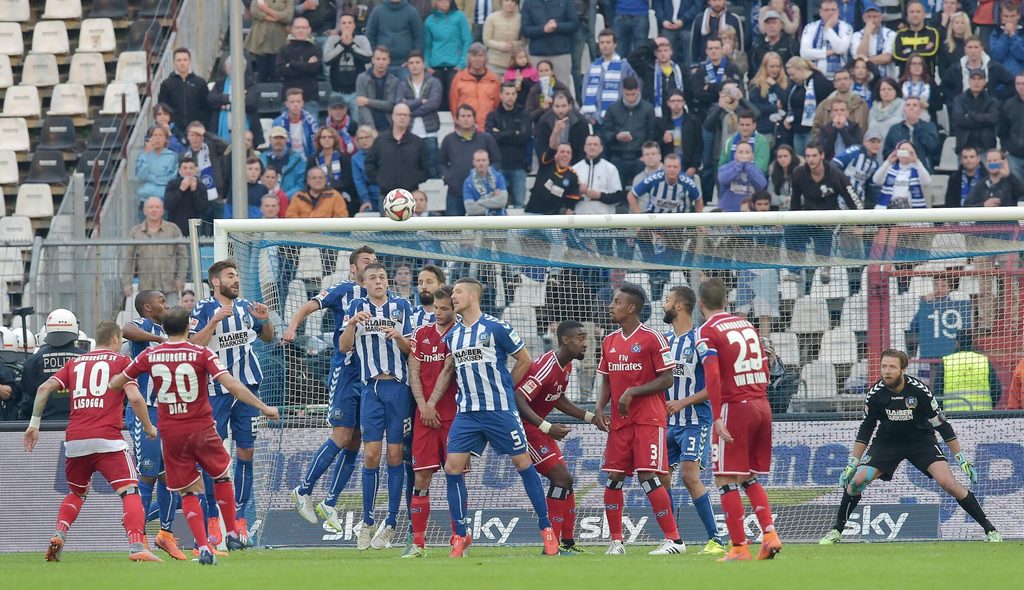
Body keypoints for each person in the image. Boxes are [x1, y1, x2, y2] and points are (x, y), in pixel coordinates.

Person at [112, 307, 280, 564]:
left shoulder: (150, 354)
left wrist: (128, 384)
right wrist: (263, 407)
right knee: (222, 475)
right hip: (201, 427)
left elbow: (116, 382)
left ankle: (202, 547)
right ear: (188, 328)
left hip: (171, 432)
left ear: (164, 329)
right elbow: (231, 384)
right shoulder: (201, 352)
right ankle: (233, 531)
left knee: (189, 491)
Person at [818, 349, 1003, 545]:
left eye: (892, 367)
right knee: (856, 482)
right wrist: (852, 462)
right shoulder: (875, 394)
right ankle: (837, 531)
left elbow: (942, 425)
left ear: (903, 370)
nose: (887, 371)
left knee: (948, 483)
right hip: (887, 442)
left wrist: (961, 458)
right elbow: (866, 428)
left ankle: (990, 529)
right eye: (884, 366)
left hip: (920, 441)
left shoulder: (919, 391)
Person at [439, 277, 559, 557]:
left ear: (473, 296)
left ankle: (546, 528)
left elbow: (525, 360)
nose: (453, 297)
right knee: (452, 468)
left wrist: (506, 389)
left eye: (457, 292)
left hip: (499, 410)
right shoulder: (453, 335)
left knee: (522, 463)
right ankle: (460, 534)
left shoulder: (497, 328)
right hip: (467, 412)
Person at [24, 321, 161, 563]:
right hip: (107, 440)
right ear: (117, 339)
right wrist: (149, 427)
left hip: (75, 441)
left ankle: (59, 533)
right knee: (130, 490)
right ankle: (137, 545)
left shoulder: (75, 362)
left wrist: (34, 425)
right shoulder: (121, 362)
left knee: (76, 492)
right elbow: (136, 398)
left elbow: (44, 388)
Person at [288, 247, 377, 532]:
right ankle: (303, 490)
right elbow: (307, 307)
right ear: (353, 268)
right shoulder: (344, 289)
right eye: (365, 261)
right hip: (347, 371)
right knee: (340, 436)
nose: (371, 265)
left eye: (373, 261)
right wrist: (292, 327)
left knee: (355, 440)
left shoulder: (380, 297)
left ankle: (330, 502)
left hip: (370, 376)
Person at [694, 277, 782, 561]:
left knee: (723, 478)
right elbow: (766, 363)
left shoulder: (707, 331)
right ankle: (769, 534)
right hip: (761, 403)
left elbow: (713, 376)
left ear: (701, 303)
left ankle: (738, 547)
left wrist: (718, 416)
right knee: (747, 476)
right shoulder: (747, 325)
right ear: (726, 300)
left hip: (736, 407)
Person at [594, 283, 684, 556]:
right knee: (613, 478)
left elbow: (667, 379)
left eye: (617, 301)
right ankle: (617, 542)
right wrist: (600, 408)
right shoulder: (608, 341)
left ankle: (674, 540)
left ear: (631, 308)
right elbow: (607, 380)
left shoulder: (653, 338)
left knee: (648, 476)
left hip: (648, 419)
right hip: (620, 423)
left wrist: (633, 392)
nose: (611, 305)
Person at [189, 260, 276, 540]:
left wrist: (265, 320)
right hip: (216, 393)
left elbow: (268, 338)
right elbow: (193, 346)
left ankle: (238, 519)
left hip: (248, 387)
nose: (236, 280)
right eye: (230, 276)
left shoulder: (245, 306)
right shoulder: (204, 309)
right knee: (214, 457)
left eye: (237, 275)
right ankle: (213, 518)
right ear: (216, 282)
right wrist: (214, 322)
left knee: (246, 453)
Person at [334, 262, 414, 550]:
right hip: (371, 389)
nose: (378, 281)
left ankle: (391, 523)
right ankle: (366, 522)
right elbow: (344, 347)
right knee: (370, 455)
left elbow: (413, 348)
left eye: (382, 277)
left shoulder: (402, 306)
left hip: (398, 388)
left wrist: (400, 338)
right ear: (364, 282)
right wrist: (354, 323)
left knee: (395, 455)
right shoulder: (356, 305)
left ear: (387, 281)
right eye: (373, 277)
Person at [512, 320, 602, 554]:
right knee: (562, 478)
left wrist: (590, 417)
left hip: (540, 428)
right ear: (566, 340)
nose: (585, 343)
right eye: (581, 338)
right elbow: (518, 397)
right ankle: (550, 546)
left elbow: (558, 398)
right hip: (526, 427)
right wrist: (546, 426)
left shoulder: (567, 365)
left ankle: (567, 543)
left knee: (566, 481)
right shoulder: (546, 365)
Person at [120, 292, 192, 559]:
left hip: (171, 412)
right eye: (161, 301)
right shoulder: (144, 326)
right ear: (148, 308)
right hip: (146, 412)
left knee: (171, 477)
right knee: (148, 474)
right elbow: (126, 329)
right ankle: (137, 539)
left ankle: (165, 535)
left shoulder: (173, 331)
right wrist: (159, 339)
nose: (166, 304)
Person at [659, 286, 727, 555]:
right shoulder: (663, 341)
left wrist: (682, 403)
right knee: (661, 477)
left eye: (667, 300)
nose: (663, 304)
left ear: (678, 306)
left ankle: (715, 539)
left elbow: (715, 386)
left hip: (694, 420)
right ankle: (674, 540)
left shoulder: (700, 339)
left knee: (689, 476)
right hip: (667, 423)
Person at [403, 286, 459, 557]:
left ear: (454, 308)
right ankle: (418, 543)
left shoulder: (459, 334)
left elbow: (448, 371)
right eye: (436, 308)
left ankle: (457, 538)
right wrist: (424, 406)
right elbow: (413, 370)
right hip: (424, 416)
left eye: (444, 309)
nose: (438, 313)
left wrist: (433, 405)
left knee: (454, 476)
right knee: (421, 477)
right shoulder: (421, 333)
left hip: (453, 416)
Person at [787, 142, 862, 283]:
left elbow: (853, 199)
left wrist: (860, 223)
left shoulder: (836, 175)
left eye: (814, 155)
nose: (811, 159)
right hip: (808, 218)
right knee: (791, 228)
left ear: (822, 156)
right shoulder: (798, 174)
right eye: (808, 156)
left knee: (826, 232)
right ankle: (795, 271)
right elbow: (794, 203)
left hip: (830, 220)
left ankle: (825, 267)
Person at [440, 104, 503, 215]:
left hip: (481, 195)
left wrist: (488, 179)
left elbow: (497, 162)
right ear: (457, 119)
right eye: (463, 116)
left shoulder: (486, 138)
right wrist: (448, 178)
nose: (466, 119)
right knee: (453, 229)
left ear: (474, 118)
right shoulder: (448, 139)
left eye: (469, 116)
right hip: (455, 192)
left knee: (481, 229)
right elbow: (440, 163)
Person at [123, 198, 188, 301]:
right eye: (151, 207)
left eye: (157, 207)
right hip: (146, 289)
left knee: (171, 317)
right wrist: (127, 283)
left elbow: (183, 257)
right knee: (148, 318)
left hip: (170, 288)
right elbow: (129, 260)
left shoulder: (173, 230)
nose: (154, 210)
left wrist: (180, 279)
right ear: (144, 211)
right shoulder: (136, 232)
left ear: (162, 211)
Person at [600, 76, 657, 189]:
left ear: (638, 91)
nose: (630, 98)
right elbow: (605, 132)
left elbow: (652, 134)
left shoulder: (648, 109)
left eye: (633, 94)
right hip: (618, 155)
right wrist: (616, 136)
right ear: (623, 91)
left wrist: (646, 154)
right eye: (627, 94)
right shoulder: (613, 108)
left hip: (639, 156)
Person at [365, 104, 430, 199]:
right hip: (386, 195)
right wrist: (380, 179)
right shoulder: (380, 141)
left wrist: (414, 179)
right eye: (399, 114)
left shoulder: (418, 143)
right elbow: (369, 163)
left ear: (409, 118)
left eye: (405, 115)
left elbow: (426, 168)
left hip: (410, 195)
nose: (402, 117)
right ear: (393, 116)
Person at [396, 50, 443, 178]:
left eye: (417, 62)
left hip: (429, 133)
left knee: (432, 171)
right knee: (411, 170)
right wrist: (419, 101)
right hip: (410, 133)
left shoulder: (434, 82)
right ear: (407, 65)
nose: (414, 65)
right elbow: (399, 103)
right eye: (411, 63)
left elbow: (433, 104)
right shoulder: (403, 84)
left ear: (423, 64)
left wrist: (410, 111)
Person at [520, 0, 579, 98]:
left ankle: (563, 112)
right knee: (538, 92)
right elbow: (525, 30)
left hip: (561, 53)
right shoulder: (529, 3)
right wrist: (543, 29)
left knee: (562, 90)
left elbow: (574, 24)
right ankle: (539, 112)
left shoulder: (566, 1)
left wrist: (557, 26)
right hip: (537, 55)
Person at [486, 82, 532, 208]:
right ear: (500, 95)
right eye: (507, 94)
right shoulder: (493, 116)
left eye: (513, 93)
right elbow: (490, 138)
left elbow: (525, 137)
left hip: (519, 166)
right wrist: (514, 132)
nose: (510, 97)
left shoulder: (524, 114)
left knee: (519, 205)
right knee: (497, 205)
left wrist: (501, 133)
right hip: (498, 167)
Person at [941, 36, 1013, 112]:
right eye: (970, 47)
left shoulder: (993, 67)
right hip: (964, 110)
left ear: (981, 49)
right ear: (965, 50)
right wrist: (956, 101)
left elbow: (1011, 82)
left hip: (988, 110)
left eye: (976, 47)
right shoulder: (956, 68)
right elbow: (945, 86)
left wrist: (996, 98)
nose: (973, 51)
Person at [581, 29, 637, 125]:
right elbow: (585, 90)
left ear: (615, 44)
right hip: (594, 119)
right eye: (602, 42)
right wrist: (589, 115)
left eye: (608, 42)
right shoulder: (593, 66)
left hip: (617, 118)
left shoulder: (624, 66)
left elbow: (633, 88)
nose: (605, 45)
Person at [525, 119, 581, 214]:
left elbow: (571, 204)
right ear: (555, 155)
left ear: (571, 157)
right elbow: (553, 146)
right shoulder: (547, 163)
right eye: (562, 151)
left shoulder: (573, 176)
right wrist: (556, 132)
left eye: (568, 153)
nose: (565, 154)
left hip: (553, 220)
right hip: (533, 214)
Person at [424, 0, 472, 110]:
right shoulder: (429, 21)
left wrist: (462, 63)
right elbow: (427, 45)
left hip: (455, 67)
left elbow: (467, 41)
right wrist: (427, 65)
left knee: (454, 101)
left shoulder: (459, 17)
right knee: (437, 101)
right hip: (436, 67)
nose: (444, 3)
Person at [324, 11, 372, 116]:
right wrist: (342, 45)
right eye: (344, 23)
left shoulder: (362, 39)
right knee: (335, 124)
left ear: (354, 25)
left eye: (349, 23)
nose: (347, 26)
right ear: (339, 25)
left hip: (357, 92)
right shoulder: (332, 40)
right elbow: (327, 59)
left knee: (358, 124)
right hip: (337, 91)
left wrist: (351, 45)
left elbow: (368, 57)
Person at [208, 55, 262, 146]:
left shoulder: (250, 83)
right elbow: (212, 99)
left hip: (246, 131)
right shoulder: (220, 83)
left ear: (244, 68)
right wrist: (231, 98)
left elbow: (251, 102)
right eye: (231, 67)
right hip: (222, 133)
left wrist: (224, 101)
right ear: (227, 68)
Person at [784, 57, 834, 155]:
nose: (791, 78)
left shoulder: (819, 82)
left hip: (812, 130)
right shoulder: (798, 85)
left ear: (801, 70)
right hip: (798, 128)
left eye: (792, 74)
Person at [627, 37, 684, 119]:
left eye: (665, 50)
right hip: (653, 113)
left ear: (671, 52)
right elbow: (632, 58)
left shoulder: (680, 69)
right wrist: (652, 44)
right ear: (655, 53)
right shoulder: (648, 68)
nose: (663, 54)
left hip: (675, 112)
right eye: (659, 51)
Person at [449, 43, 502, 130]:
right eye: (474, 56)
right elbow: (453, 104)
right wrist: (457, 121)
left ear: (485, 58)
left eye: (480, 56)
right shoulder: (459, 78)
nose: (477, 59)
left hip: (486, 127)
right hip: (464, 127)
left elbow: (497, 104)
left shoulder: (494, 79)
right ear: (469, 58)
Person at [366, 0, 424, 79]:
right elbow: (370, 36)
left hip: (405, 65)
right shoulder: (377, 11)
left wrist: (413, 59)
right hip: (382, 64)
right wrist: (376, 57)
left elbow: (419, 36)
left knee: (408, 89)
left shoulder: (412, 11)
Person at [183, 122, 229, 218]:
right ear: (187, 137)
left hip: (216, 198)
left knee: (219, 231)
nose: (195, 138)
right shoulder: (184, 155)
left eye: (198, 135)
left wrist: (205, 133)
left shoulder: (212, 148)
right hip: (196, 200)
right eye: (192, 135)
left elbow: (225, 145)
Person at [276, 17, 322, 113]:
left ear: (309, 30)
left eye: (304, 28)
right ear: (292, 29)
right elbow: (280, 71)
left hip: (310, 99)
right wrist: (306, 65)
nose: (301, 30)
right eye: (298, 27)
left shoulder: (316, 48)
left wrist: (292, 64)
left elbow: (315, 69)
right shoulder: (284, 49)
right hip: (288, 100)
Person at [158, 48, 210, 132]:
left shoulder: (200, 83)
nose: (182, 63)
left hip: (197, 130)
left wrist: (204, 126)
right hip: (174, 131)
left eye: (185, 60)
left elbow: (207, 108)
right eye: (179, 60)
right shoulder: (167, 84)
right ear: (174, 62)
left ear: (190, 61)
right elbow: (163, 108)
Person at [883, 96, 941, 171]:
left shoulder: (929, 127)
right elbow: (886, 152)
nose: (911, 107)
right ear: (904, 110)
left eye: (915, 105)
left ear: (920, 110)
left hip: (922, 169)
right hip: (898, 169)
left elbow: (933, 148)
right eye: (908, 105)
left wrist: (917, 126)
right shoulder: (895, 129)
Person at [801, 0, 853, 80]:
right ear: (820, 12)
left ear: (838, 11)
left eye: (833, 10)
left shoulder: (846, 27)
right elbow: (804, 53)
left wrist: (828, 29)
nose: (830, 13)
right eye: (826, 10)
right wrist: (827, 52)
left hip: (840, 77)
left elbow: (841, 49)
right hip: (816, 76)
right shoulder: (810, 27)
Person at [572, 134, 623, 216]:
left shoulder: (610, 168)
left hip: (603, 219)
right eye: (589, 144)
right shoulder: (575, 169)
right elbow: (567, 196)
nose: (592, 147)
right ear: (584, 148)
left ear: (601, 148)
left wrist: (599, 195)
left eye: (595, 144)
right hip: (580, 217)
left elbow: (617, 198)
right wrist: (578, 192)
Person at [811, 68, 870, 139]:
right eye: (839, 80)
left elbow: (866, 128)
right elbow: (816, 128)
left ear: (851, 81)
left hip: (855, 145)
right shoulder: (824, 105)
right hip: (829, 147)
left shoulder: (861, 104)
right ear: (834, 84)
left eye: (845, 79)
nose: (842, 82)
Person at [308, 126, 357, 210]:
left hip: (342, 195)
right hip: (319, 197)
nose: (327, 139)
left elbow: (348, 180)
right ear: (319, 140)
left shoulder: (343, 158)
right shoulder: (313, 160)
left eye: (330, 137)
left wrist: (331, 188)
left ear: (334, 139)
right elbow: (309, 180)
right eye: (323, 137)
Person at [833, 128, 884, 207]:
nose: (875, 145)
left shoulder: (874, 164)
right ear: (864, 141)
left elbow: (871, 188)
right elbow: (835, 164)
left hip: (858, 200)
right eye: (872, 142)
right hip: (841, 197)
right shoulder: (854, 151)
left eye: (878, 142)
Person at [533, 90, 589, 163]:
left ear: (570, 106)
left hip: (575, 165)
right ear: (552, 106)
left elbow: (583, 150)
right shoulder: (544, 122)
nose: (560, 110)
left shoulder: (581, 122)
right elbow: (542, 150)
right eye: (557, 106)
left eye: (563, 106)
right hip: (550, 165)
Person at [872, 141, 933, 208]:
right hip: (889, 209)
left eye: (908, 151)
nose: (904, 153)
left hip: (911, 210)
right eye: (902, 150)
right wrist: (888, 161)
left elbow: (927, 182)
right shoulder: (890, 169)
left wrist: (916, 161)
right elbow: (876, 180)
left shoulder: (918, 170)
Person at [245, 0, 294, 83]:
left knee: (276, 72)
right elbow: (255, 11)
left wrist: (266, 9)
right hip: (260, 37)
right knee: (262, 72)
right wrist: (275, 18)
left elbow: (288, 16)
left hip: (278, 38)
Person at [952, 68, 1001, 152]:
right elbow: (958, 120)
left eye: (979, 79)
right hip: (964, 148)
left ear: (985, 81)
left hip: (986, 148)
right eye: (973, 79)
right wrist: (983, 121)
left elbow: (993, 119)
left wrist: (971, 114)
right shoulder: (959, 99)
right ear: (968, 81)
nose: (976, 82)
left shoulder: (992, 101)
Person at [355, 46, 400, 131]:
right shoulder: (362, 78)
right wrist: (372, 128)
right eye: (378, 59)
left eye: (384, 59)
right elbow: (361, 105)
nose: (381, 62)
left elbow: (390, 105)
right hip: (366, 127)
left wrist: (368, 101)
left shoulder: (394, 81)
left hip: (388, 125)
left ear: (388, 61)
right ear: (373, 60)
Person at [657, 90, 702, 176]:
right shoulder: (662, 123)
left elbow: (699, 145)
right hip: (667, 166)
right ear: (668, 103)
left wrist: (694, 166)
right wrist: (663, 140)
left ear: (684, 103)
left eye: (679, 100)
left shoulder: (693, 121)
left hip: (687, 166)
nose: (676, 103)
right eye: (673, 101)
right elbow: (655, 145)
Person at [160, 157, 208, 235]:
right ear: (180, 171)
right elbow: (168, 205)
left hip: (195, 228)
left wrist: (194, 191)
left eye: (191, 168)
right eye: (185, 168)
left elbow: (203, 209)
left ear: (195, 170)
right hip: (175, 227)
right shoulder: (172, 184)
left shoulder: (201, 186)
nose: (188, 170)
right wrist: (181, 190)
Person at [717, 143, 769, 212]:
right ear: (735, 155)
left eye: (747, 152)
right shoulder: (726, 168)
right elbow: (723, 179)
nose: (744, 155)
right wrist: (739, 166)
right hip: (727, 211)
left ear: (752, 156)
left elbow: (762, 184)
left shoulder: (756, 170)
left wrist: (747, 167)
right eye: (740, 152)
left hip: (748, 212)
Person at [894, 1, 942, 75]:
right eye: (912, 12)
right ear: (907, 15)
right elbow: (897, 56)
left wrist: (908, 52)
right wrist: (923, 51)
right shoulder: (900, 34)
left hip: (927, 78)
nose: (915, 14)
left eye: (918, 12)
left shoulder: (932, 32)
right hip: (905, 78)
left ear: (924, 14)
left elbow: (932, 52)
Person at [852, 2, 897, 79]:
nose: (872, 20)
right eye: (868, 17)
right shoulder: (857, 35)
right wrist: (866, 34)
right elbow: (859, 57)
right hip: (865, 79)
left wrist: (865, 60)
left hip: (885, 78)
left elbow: (887, 58)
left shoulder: (890, 34)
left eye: (875, 16)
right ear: (863, 18)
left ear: (881, 18)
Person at [273, 88, 321, 160]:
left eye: (298, 102)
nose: (295, 105)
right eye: (292, 102)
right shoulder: (278, 123)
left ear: (302, 103)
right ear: (286, 104)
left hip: (308, 160)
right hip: (286, 160)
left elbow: (315, 147)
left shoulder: (312, 121)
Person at [135, 127, 179, 204]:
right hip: (146, 199)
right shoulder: (142, 155)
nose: (157, 138)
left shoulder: (172, 156)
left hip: (165, 198)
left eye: (161, 135)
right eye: (155, 135)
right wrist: (146, 155)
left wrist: (152, 179)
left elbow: (172, 178)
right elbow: (141, 177)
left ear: (166, 139)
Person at [261, 126, 307, 197]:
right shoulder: (262, 159)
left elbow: (301, 185)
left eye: (281, 138)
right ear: (270, 139)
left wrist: (283, 197)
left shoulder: (298, 160)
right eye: (275, 138)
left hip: (289, 202)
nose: (278, 141)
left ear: (286, 140)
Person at [287, 167, 352, 218]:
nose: (317, 180)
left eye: (320, 178)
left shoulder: (335, 196)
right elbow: (291, 218)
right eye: (314, 178)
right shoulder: (298, 197)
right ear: (308, 180)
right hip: (303, 234)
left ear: (325, 180)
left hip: (328, 234)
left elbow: (341, 218)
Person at [483, 0, 523, 77]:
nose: (509, 3)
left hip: (514, 64)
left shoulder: (521, 18)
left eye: (512, 1)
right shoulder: (491, 18)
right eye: (506, 0)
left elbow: (525, 41)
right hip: (494, 64)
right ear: (501, 2)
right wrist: (503, 46)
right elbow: (486, 40)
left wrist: (514, 44)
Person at [999, 71, 1024, 180]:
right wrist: (1007, 149)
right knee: (1017, 191)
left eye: (1023, 83)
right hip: (1014, 156)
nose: (1021, 87)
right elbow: (1002, 131)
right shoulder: (1008, 105)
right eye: (1018, 84)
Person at [988, 1, 1024, 76]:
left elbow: (1022, 55)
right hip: (1001, 80)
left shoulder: (1022, 32)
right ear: (1001, 17)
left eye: (1012, 16)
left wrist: (1013, 36)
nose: (1009, 19)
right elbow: (996, 55)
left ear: (1018, 16)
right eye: (1006, 16)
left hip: (1021, 79)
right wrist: (1004, 35)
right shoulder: (996, 33)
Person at [352, 126, 382, 211]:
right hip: (369, 196)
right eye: (360, 138)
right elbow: (359, 181)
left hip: (385, 193)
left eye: (366, 137)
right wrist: (365, 200)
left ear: (373, 138)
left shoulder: (382, 153)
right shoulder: (355, 158)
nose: (363, 140)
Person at [868, 77, 905, 142]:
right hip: (876, 147)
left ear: (896, 91)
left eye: (890, 89)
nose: (886, 92)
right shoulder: (873, 109)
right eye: (883, 89)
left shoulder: (904, 106)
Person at [939, 10, 972, 74]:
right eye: (957, 23)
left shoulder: (973, 44)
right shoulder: (945, 45)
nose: (960, 25)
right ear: (952, 25)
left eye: (962, 23)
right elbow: (942, 69)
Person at [769, 144, 799, 208]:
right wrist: (782, 199)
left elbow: (804, 196)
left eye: (785, 156)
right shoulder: (773, 174)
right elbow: (770, 197)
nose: (783, 159)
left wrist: (791, 200)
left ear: (791, 156)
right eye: (780, 157)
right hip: (780, 212)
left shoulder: (799, 173)